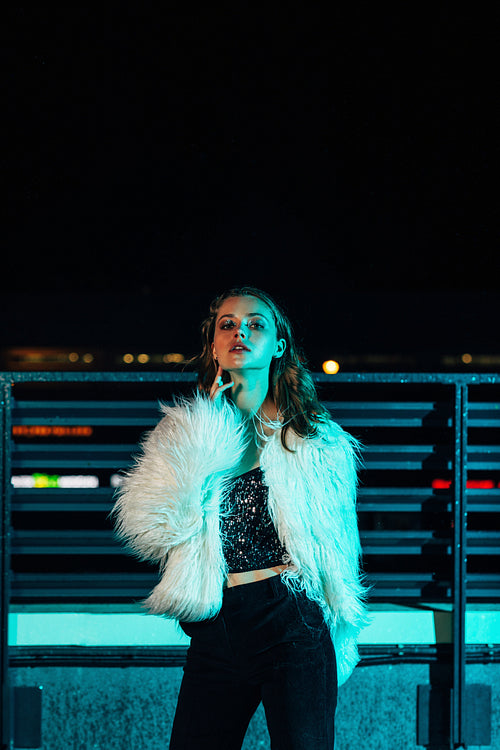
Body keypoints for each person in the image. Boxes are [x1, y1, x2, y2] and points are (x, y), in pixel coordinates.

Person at [112, 286, 369, 749]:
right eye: (227, 324)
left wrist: (340, 634)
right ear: (213, 346)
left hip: (293, 617)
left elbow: (341, 549)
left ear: (279, 346)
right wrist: (204, 435)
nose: (240, 332)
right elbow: (154, 532)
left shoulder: (317, 441)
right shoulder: (183, 432)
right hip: (219, 625)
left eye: (256, 324)